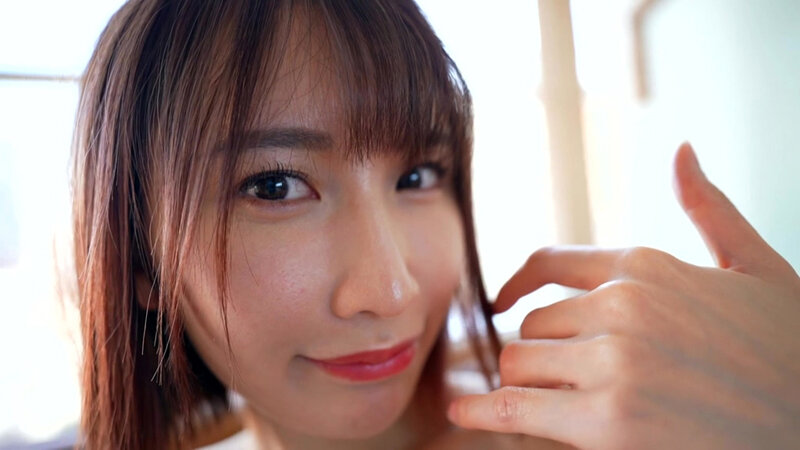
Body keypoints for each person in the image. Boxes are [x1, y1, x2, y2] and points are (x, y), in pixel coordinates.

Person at [69, 0, 800, 449]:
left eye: (417, 176)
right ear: (142, 263)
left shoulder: (620, 425)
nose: (391, 289)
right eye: (275, 185)